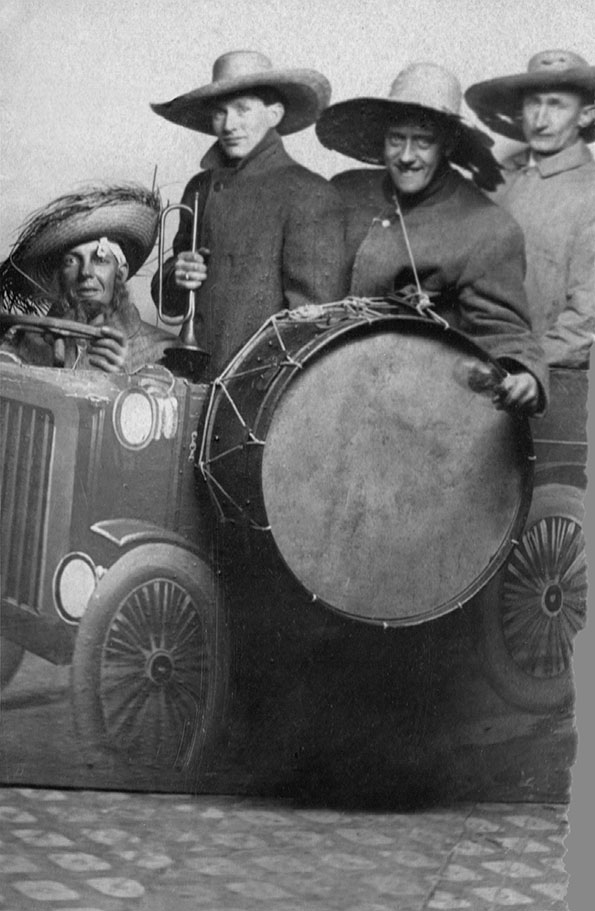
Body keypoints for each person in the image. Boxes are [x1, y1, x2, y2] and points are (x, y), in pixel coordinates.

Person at [316, 62, 547, 413]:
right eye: (396, 139)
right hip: (324, 393)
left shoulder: (487, 227)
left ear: (447, 144)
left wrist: (522, 373)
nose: (407, 157)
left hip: (418, 409)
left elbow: (503, 333)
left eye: (423, 142)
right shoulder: (344, 193)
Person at [150, 50, 347, 378]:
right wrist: (177, 275)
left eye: (243, 109)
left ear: (274, 114)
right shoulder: (199, 188)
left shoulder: (311, 194)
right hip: (190, 376)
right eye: (220, 112)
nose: (229, 125)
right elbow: (168, 301)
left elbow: (313, 326)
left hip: (256, 389)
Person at [465, 49, 595, 368]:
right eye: (533, 103)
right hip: (471, 362)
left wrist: (526, 368)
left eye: (556, 105)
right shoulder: (494, 181)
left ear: (586, 115)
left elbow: (585, 316)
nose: (540, 120)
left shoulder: (591, 193)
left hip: (548, 375)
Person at [0, 185, 173, 373]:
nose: (85, 272)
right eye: (71, 261)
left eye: (100, 260)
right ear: (60, 276)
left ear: (120, 273)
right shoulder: (27, 342)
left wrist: (124, 379)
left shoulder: (163, 351)